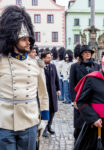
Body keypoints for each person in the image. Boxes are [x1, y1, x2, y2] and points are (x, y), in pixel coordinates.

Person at [0, 6, 49, 150]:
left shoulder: (36, 65)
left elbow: (43, 94)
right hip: (4, 123)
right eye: (23, 39)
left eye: (29, 39)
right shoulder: (1, 62)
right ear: (13, 40)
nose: (29, 43)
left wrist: (45, 117)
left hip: (29, 122)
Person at [69, 44, 100, 142]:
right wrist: (74, 100)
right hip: (80, 98)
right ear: (81, 54)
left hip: (93, 98)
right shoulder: (75, 66)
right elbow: (72, 83)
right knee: (79, 125)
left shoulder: (96, 66)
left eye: (89, 52)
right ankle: (77, 143)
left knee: (92, 122)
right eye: (85, 52)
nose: (88, 54)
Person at [41, 51, 60, 136]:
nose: (50, 59)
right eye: (48, 57)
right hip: (44, 92)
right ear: (43, 58)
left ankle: (49, 126)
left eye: (50, 57)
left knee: (53, 110)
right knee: (45, 110)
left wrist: (58, 89)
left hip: (52, 92)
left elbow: (56, 78)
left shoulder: (53, 66)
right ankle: (44, 128)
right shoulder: (40, 67)